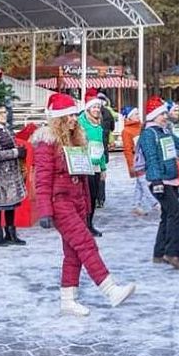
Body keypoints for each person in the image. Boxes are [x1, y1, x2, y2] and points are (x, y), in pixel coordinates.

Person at [32, 93, 135, 316]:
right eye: (69, 116)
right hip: (59, 203)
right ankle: (110, 290)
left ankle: (67, 300)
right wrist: (45, 211)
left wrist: (87, 206)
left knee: (73, 252)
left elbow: (83, 174)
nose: (74, 119)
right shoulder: (46, 142)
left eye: (74, 115)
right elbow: (41, 179)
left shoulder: (75, 138)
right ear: (58, 118)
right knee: (86, 244)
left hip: (77, 201)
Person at [137, 96, 179, 269]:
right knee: (176, 214)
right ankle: (172, 253)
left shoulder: (164, 131)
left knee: (167, 215)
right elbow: (151, 158)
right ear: (153, 116)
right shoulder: (148, 134)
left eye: (166, 114)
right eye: (162, 114)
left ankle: (159, 253)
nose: (165, 117)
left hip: (171, 180)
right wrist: (157, 180)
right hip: (160, 181)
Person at [0, 101, 28, 246]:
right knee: (0, 202)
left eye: (5, 112)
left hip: (12, 171)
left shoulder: (5, 129)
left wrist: (19, 153)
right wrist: (15, 152)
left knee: (11, 202)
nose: (5, 115)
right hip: (1, 173)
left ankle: (10, 232)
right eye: (1, 113)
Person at [78, 89, 107, 236]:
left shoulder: (99, 125)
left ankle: (90, 223)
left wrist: (103, 168)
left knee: (94, 195)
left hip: (96, 165)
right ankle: (84, 224)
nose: (96, 110)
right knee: (86, 197)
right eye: (94, 107)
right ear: (88, 108)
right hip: (84, 165)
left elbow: (100, 146)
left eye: (98, 107)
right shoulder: (81, 123)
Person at [121, 106, 158, 216]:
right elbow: (127, 150)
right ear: (130, 117)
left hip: (147, 160)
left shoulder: (143, 127)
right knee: (144, 183)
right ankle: (155, 204)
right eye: (136, 114)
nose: (138, 115)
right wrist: (131, 165)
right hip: (138, 162)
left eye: (138, 113)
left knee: (140, 184)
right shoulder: (126, 131)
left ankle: (136, 205)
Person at [96, 91, 116, 208]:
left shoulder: (87, 113)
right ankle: (101, 198)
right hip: (103, 147)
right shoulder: (108, 112)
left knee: (97, 173)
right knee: (101, 174)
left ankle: (96, 198)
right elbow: (112, 127)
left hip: (98, 148)